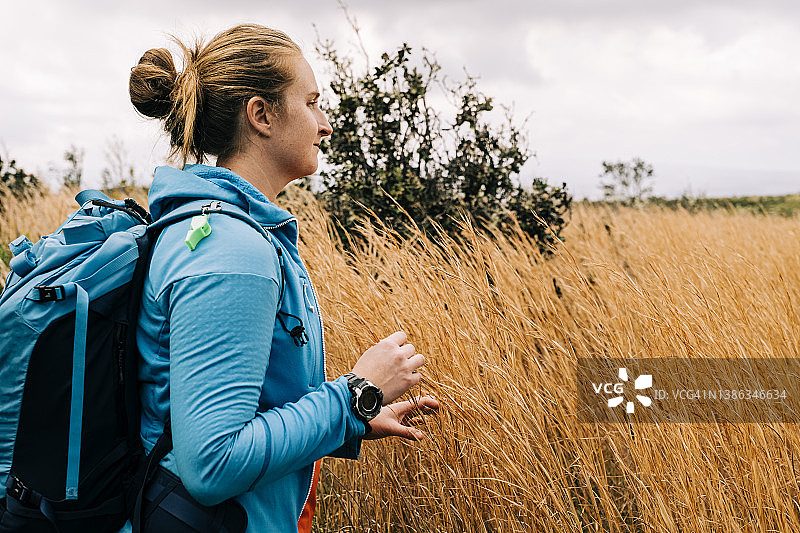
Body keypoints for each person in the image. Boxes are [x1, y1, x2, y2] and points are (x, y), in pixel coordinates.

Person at [127, 23, 439, 533]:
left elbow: (240, 410)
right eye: (312, 102)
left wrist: (350, 424)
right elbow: (212, 464)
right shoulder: (230, 251)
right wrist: (353, 395)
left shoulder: (231, 233)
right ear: (262, 115)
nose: (325, 123)